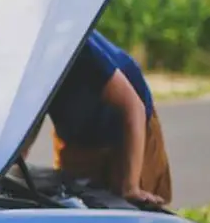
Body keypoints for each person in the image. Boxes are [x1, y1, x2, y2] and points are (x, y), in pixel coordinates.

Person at [33, 29, 172, 206]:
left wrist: (131, 186)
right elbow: (30, 116)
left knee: (130, 205)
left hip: (127, 128)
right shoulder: (23, 61)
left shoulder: (78, 48)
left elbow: (133, 108)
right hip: (77, 136)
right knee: (72, 201)